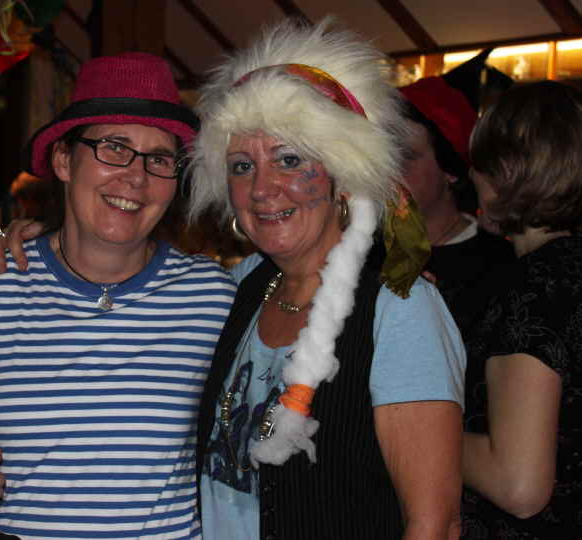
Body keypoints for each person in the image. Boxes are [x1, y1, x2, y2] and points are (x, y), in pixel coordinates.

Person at [0, 52, 237, 539]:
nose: (136, 176)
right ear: (64, 160)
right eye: (114, 147)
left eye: (160, 159)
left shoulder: (212, 298)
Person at [189, 18, 465, 539]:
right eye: (242, 166)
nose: (262, 189)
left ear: (344, 178)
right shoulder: (238, 287)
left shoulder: (400, 309)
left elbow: (434, 523)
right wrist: (25, 239)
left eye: (289, 160)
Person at [461, 80, 582, 538]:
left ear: (508, 170)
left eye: (479, 163)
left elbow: (518, 485)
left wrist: (411, 427)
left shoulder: (533, 289)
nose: (471, 175)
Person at [398, 63, 516, 335]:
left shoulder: (500, 266)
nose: (385, 170)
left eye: (404, 157)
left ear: (449, 172)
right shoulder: (357, 252)